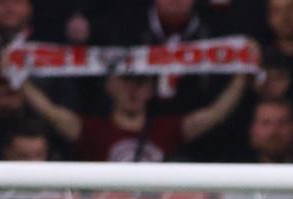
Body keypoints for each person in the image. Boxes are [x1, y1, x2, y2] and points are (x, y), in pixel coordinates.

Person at [17, 62, 249, 163]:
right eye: (127, 81)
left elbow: (215, 114)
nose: (134, 90)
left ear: (151, 88)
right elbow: (51, 113)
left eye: (141, 82)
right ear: (110, 85)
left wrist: (242, 74)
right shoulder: (92, 130)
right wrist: (18, 77)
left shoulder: (167, 129)